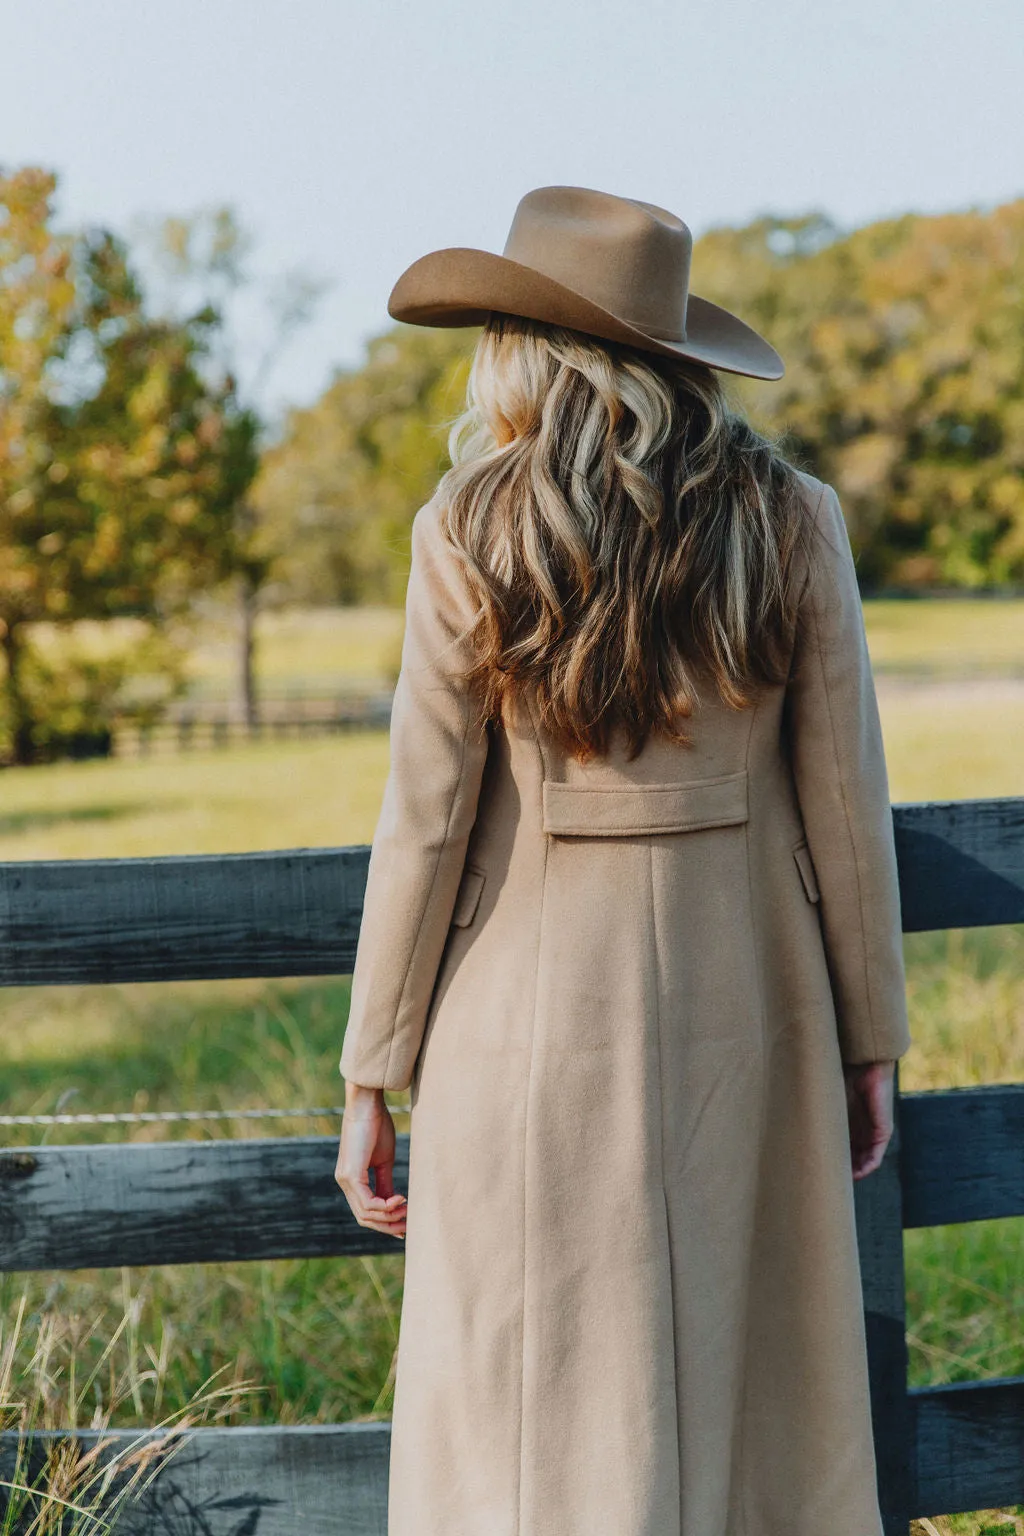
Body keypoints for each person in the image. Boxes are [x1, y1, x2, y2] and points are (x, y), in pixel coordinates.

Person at [334, 184, 911, 1536]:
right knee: (754, 1406)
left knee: (526, 1421)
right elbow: (847, 797)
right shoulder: (794, 518)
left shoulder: (465, 528)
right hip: (752, 1022)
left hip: (518, 1038)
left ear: (526, 347)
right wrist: (870, 1037)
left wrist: (373, 1070)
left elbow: (422, 823)